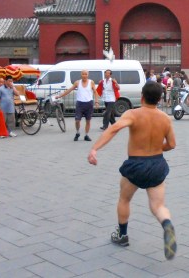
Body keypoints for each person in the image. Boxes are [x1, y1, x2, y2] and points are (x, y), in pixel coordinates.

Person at [87, 81, 177, 260]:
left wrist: (95, 148)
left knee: (124, 199)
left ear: (142, 96)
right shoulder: (165, 119)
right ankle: (167, 224)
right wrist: (159, 148)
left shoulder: (133, 114)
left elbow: (115, 128)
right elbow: (172, 144)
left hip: (136, 165)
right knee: (158, 206)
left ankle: (122, 235)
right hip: (157, 165)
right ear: (159, 99)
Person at [56, 69, 98, 141]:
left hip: (89, 104)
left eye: (86, 74)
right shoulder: (77, 82)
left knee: (88, 121)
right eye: (83, 74)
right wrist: (60, 96)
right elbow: (69, 90)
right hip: (80, 104)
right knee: (77, 120)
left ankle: (86, 135)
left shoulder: (91, 82)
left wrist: (96, 102)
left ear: (88, 75)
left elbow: (95, 92)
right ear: (81, 75)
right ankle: (77, 132)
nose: (84, 76)